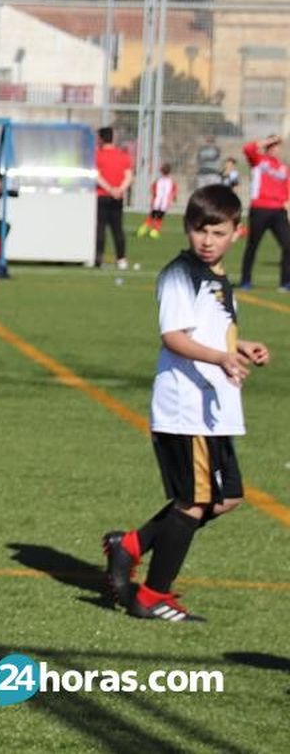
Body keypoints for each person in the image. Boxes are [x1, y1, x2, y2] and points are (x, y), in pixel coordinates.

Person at [102, 185, 269, 622]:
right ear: (187, 229)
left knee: (226, 497)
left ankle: (131, 546)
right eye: (200, 230)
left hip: (213, 408)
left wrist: (241, 346)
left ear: (238, 232)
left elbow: (210, 331)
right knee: (193, 502)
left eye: (218, 231)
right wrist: (221, 358)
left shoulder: (217, 280)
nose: (208, 240)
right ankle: (152, 595)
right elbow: (174, 336)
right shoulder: (180, 273)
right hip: (186, 408)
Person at [238, 134, 289, 291]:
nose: (276, 149)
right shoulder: (259, 161)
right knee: (253, 245)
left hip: (278, 211)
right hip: (260, 209)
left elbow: (287, 191)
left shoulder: (283, 168)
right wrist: (269, 140)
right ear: (267, 147)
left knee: (288, 245)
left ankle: (285, 283)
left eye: (277, 146)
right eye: (273, 146)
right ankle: (245, 281)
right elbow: (247, 148)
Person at [95, 126, 134, 270]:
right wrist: (120, 190)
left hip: (102, 196)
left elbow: (96, 176)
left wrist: (110, 189)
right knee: (117, 229)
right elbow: (129, 176)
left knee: (100, 228)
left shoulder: (97, 155)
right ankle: (121, 259)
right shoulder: (123, 156)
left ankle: (98, 258)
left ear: (100, 138)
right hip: (117, 197)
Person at [138, 164, 178, 240]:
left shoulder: (158, 181)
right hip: (165, 203)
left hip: (156, 202)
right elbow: (174, 191)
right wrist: (174, 198)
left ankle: (142, 230)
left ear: (161, 171)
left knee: (152, 216)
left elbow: (152, 189)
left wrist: (154, 197)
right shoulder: (172, 182)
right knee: (159, 218)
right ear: (169, 172)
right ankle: (154, 232)